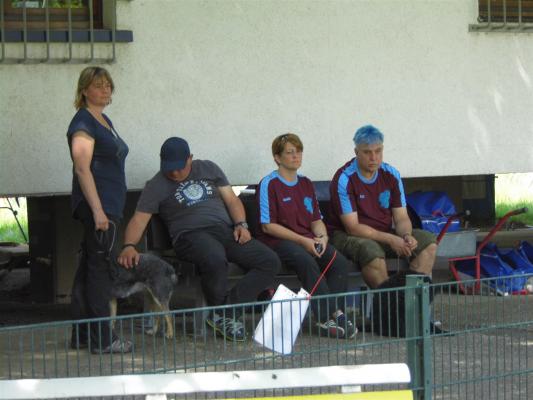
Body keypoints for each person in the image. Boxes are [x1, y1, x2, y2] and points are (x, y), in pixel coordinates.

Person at [117, 137, 281, 341]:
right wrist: (129, 245)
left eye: (179, 167)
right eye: (169, 167)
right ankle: (224, 315)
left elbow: (232, 200)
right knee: (215, 257)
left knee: (269, 260)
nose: (174, 173)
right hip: (189, 236)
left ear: (190, 158)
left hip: (224, 230)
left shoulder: (208, 168)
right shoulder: (156, 185)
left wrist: (241, 224)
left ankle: (226, 312)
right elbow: (139, 219)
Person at [256, 133, 356, 339]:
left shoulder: (306, 183)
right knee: (306, 261)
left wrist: (322, 237)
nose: (296, 156)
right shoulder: (269, 183)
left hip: (308, 239)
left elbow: (316, 220)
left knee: (338, 262)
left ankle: (332, 316)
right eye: (290, 152)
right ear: (277, 157)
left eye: (299, 151)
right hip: (279, 242)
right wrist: (303, 241)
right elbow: (268, 226)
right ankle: (330, 316)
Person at [67, 66, 132, 354]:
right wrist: (97, 211)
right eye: (98, 85)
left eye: (108, 85)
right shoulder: (83, 122)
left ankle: (82, 335)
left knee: (88, 270)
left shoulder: (103, 119)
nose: (105, 90)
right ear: (84, 90)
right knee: (99, 272)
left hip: (108, 204)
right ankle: (104, 339)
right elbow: (82, 168)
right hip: (100, 206)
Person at [329, 125, 437, 289]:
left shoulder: (391, 174)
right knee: (372, 252)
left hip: (383, 232)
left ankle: (410, 300)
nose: (373, 157)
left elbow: (401, 218)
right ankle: (388, 303)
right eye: (367, 152)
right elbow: (353, 228)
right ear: (356, 152)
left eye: (378, 151)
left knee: (428, 243)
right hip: (346, 235)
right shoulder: (344, 178)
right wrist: (391, 239)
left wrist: (406, 235)